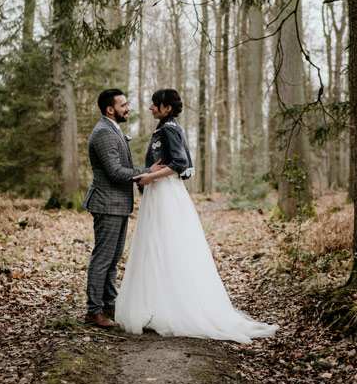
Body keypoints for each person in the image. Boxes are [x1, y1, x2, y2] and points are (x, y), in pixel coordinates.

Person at [117, 88, 278, 343]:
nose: (150, 107)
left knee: (165, 246)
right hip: (162, 194)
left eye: (154, 104)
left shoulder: (169, 128)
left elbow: (179, 164)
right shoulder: (167, 127)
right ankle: (159, 303)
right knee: (158, 247)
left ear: (167, 107)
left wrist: (150, 176)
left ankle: (170, 307)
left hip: (165, 194)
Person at [82, 88, 164, 328]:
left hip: (116, 205)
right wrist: (147, 171)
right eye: (123, 105)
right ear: (110, 109)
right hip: (107, 204)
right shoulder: (103, 133)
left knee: (113, 258)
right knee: (103, 258)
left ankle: (108, 304)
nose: (128, 108)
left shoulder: (113, 129)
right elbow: (116, 172)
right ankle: (93, 310)